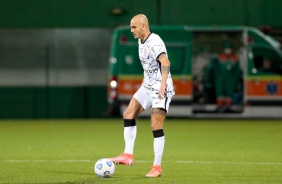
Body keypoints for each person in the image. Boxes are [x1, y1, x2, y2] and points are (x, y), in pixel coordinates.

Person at [109, 14, 175, 178]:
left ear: (144, 26)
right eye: (131, 27)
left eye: (134, 27)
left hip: (162, 87)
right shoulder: (141, 41)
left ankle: (157, 167)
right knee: (128, 114)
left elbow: (165, 63)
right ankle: (128, 155)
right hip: (147, 86)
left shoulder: (155, 42)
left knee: (155, 125)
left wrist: (162, 84)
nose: (132, 30)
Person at [205, 42, 242, 112]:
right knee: (220, 92)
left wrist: (236, 79)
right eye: (226, 48)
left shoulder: (235, 58)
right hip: (220, 78)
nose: (228, 50)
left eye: (229, 48)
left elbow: (237, 70)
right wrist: (213, 79)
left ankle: (228, 107)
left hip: (231, 79)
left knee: (229, 93)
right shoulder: (220, 57)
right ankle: (219, 106)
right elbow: (216, 69)